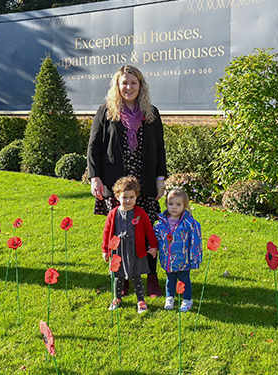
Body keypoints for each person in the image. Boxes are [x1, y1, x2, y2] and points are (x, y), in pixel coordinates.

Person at [88, 65, 167, 297]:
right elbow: (94, 147)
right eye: (124, 82)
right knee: (119, 234)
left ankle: (151, 277)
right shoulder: (106, 111)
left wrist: (160, 178)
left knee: (148, 232)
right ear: (117, 85)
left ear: (140, 86)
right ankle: (121, 279)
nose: (129, 87)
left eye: (133, 83)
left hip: (145, 184)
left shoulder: (151, 113)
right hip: (117, 186)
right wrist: (95, 178)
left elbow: (160, 148)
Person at [100, 176, 158, 314]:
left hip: (135, 250)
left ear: (136, 196)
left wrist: (153, 246)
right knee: (117, 276)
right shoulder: (113, 213)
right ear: (117, 197)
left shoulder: (140, 213)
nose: (128, 200)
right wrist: (105, 250)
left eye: (131, 197)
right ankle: (117, 298)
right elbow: (107, 232)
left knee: (136, 276)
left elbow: (149, 230)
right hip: (118, 250)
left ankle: (141, 301)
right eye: (124, 197)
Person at [154, 188, 202, 312]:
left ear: (184, 206)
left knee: (184, 280)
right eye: (171, 204)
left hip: (183, 259)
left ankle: (187, 299)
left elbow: (195, 241)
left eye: (178, 204)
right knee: (170, 280)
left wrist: (194, 258)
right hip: (168, 259)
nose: (174, 207)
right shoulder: (161, 223)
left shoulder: (189, 223)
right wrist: (153, 247)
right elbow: (156, 238)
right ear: (166, 204)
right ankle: (170, 297)